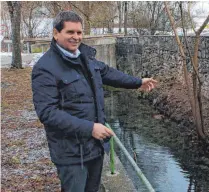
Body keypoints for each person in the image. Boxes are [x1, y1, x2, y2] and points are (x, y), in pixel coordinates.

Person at [31, 11, 157, 192]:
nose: (76, 37)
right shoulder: (45, 69)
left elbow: (108, 73)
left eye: (79, 33)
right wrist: (91, 128)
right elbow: (48, 113)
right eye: (70, 32)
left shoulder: (85, 58)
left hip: (95, 148)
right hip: (71, 154)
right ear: (56, 33)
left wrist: (138, 82)